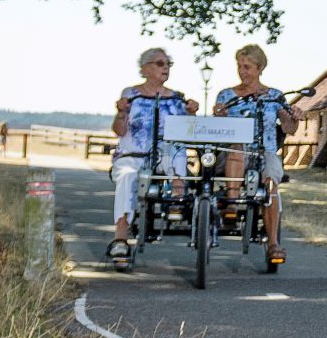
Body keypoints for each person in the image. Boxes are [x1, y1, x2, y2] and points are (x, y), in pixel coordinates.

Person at [214, 44, 303, 262]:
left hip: (266, 152)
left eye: (247, 67)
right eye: (239, 66)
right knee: (237, 147)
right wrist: (219, 115)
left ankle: (273, 244)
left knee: (271, 184)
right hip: (232, 152)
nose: (242, 71)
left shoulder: (274, 96)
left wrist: (293, 117)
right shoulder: (226, 95)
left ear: (260, 67)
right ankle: (232, 205)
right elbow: (216, 127)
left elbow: (289, 128)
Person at [107, 47, 197, 261]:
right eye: (159, 63)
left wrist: (191, 114)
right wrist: (121, 112)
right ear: (145, 68)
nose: (165, 67)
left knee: (176, 149)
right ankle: (120, 238)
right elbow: (119, 131)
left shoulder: (177, 98)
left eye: (168, 64)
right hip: (133, 155)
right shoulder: (131, 95)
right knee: (127, 176)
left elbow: (188, 133)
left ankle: (176, 200)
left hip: (163, 155)